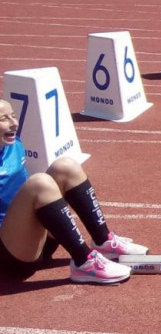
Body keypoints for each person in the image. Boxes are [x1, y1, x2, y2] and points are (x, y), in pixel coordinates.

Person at [0, 99, 149, 284]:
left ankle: (104, 242)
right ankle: (84, 263)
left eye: (13, 116)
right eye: (3, 119)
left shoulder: (14, 145)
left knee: (66, 166)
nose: (13, 123)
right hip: (10, 255)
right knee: (40, 183)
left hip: (36, 240)